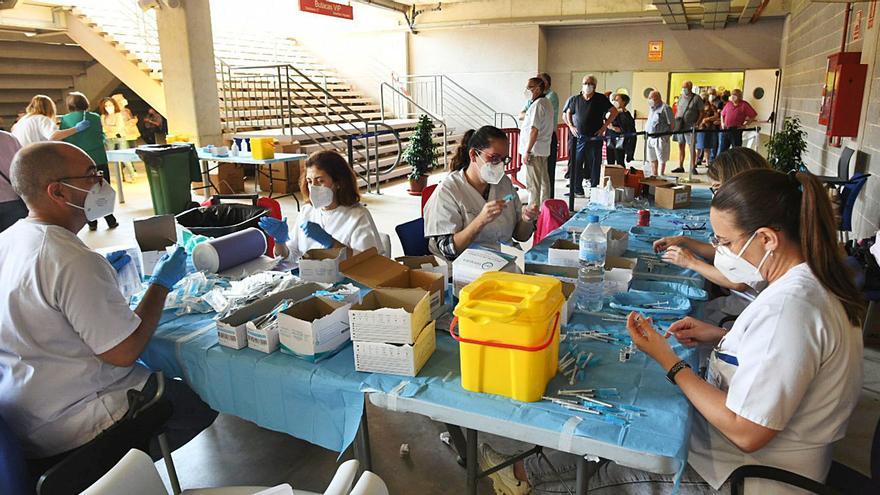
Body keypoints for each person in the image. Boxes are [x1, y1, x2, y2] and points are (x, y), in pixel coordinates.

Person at [481, 168, 864, 495]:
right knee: (614, 437)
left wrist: (670, 362)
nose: (721, 252)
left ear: (767, 239)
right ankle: (523, 474)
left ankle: (524, 481)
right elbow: (785, 360)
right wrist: (720, 336)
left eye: (726, 243)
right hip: (742, 454)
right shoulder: (809, 284)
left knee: (611, 474)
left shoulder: (792, 310)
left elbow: (747, 432)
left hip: (745, 476)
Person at [0, 141, 216, 477]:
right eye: (91, 176)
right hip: (79, 419)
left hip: (25, 412)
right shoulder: (70, 259)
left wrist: (98, 285)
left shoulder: (9, 240)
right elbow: (124, 352)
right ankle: (120, 471)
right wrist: (160, 285)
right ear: (58, 191)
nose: (102, 184)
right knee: (204, 399)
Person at [653, 147, 771, 292]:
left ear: (737, 185)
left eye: (717, 188)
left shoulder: (754, 223)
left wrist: (691, 262)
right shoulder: (748, 216)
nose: (715, 195)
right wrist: (684, 241)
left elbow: (740, 282)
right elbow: (726, 253)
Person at [423, 126, 538, 260]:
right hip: (467, 265)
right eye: (494, 157)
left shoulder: (504, 183)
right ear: (473, 155)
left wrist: (526, 219)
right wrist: (480, 220)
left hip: (505, 258)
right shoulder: (448, 191)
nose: (500, 165)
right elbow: (448, 250)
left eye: (504, 160)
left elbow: (520, 236)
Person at [259, 150, 385, 265]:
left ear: (338, 182)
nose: (313, 187)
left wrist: (331, 243)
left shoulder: (357, 216)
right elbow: (290, 257)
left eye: (320, 181)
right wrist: (280, 242)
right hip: (311, 276)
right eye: (309, 181)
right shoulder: (307, 211)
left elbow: (368, 263)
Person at [59, 92, 118, 231]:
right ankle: (110, 219)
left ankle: (91, 221)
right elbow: (100, 135)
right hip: (98, 158)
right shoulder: (95, 117)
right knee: (103, 188)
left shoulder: (65, 120)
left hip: (78, 160)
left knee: (85, 191)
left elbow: (65, 139)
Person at [562, 75, 617, 196]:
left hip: (594, 137)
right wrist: (571, 126)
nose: (588, 85)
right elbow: (568, 112)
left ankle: (594, 189)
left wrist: (604, 127)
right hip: (579, 138)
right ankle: (577, 189)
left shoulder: (600, 98)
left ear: (595, 86)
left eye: (590, 83)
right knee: (576, 163)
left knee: (594, 164)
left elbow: (614, 111)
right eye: (585, 83)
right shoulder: (575, 99)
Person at [520, 73, 560, 198]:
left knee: (533, 185)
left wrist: (527, 151)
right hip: (542, 149)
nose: (527, 90)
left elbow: (534, 130)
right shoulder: (545, 103)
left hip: (534, 150)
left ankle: (534, 208)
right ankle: (545, 207)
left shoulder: (538, 105)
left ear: (537, 89)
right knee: (544, 182)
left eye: (529, 87)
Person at [11, 95, 90, 147]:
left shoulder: (23, 120)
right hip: (34, 157)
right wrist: (76, 128)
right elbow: (53, 136)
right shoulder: (41, 119)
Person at [99, 97, 137, 182]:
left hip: (120, 137)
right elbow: (103, 128)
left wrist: (109, 128)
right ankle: (120, 176)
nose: (108, 107)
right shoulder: (103, 117)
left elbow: (119, 127)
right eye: (106, 106)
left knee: (124, 158)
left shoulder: (118, 115)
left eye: (110, 105)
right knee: (113, 159)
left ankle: (132, 174)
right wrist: (110, 128)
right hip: (109, 139)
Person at [671, 81, 704, 174]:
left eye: (685, 87)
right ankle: (680, 166)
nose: (683, 89)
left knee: (691, 146)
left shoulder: (696, 98)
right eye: (683, 87)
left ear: (690, 87)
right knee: (681, 145)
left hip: (690, 127)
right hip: (679, 125)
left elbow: (702, 112)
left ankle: (692, 167)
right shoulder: (681, 97)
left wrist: (697, 123)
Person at [0, 131, 25, 232]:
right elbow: (24, 170)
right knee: (16, 238)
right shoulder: (9, 138)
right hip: (13, 200)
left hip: (12, 201)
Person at [645, 90, 674, 177]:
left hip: (661, 137)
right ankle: (654, 175)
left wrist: (667, 136)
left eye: (652, 98)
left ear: (658, 98)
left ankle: (661, 175)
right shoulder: (651, 108)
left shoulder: (666, 108)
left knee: (662, 159)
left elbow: (672, 124)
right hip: (650, 137)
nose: (650, 100)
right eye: (649, 98)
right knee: (652, 158)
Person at [605, 93, 636, 166]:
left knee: (619, 161)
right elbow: (606, 118)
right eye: (614, 100)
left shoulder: (626, 114)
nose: (614, 101)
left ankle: (621, 173)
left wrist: (616, 129)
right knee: (610, 161)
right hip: (610, 139)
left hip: (620, 141)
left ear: (623, 102)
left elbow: (628, 128)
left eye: (617, 100)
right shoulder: (613, 112)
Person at [695, 94, 721, 166]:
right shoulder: (698, 107)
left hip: (708, 129)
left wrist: (707, 119)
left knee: (707, 146)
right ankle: (695, 161)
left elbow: (716, 116)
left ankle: (707, 162)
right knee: (698, 146)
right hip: (700, 128)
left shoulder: (712, 107)